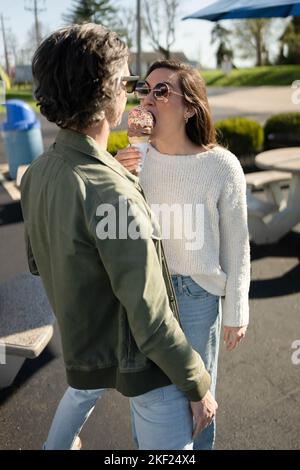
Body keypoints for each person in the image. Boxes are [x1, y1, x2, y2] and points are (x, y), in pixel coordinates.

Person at [20, 25, 217, 451]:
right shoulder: (113, 193)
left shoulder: (36, 174)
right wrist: (198, 382)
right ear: (109, 91)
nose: (133, 93)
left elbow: (40, 261)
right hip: (150, 371)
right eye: (128, 81)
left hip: (84, 348)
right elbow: (151, 317)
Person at [116, 60, 251, 450]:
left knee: (197, 403)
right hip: (147, 293)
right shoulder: (133, 160)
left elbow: (237, 244)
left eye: (163, 91)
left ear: (190, 107)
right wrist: (122, 177)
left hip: (197, 298)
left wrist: (237, 308)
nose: (149, 98)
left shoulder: (222, 166)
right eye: (145, 89)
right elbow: (122, 233)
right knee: (149, 396)